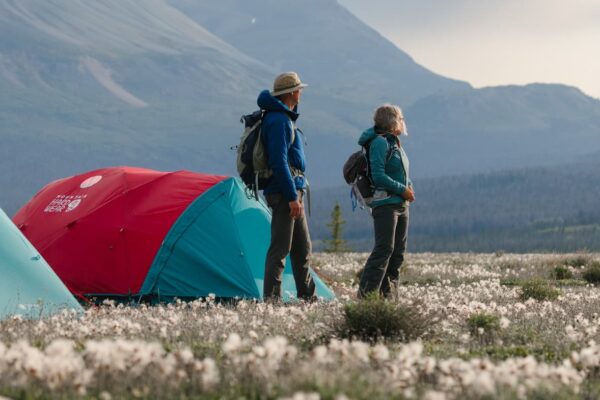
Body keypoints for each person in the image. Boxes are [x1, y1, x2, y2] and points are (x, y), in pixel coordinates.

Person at [257, 72, 315, 301]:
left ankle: (308, 298)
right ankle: (271, 301)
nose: (301, 93)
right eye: (299, 89)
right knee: (280, 249)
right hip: (284, 192)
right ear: (291, 93)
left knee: (302, 249)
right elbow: (278, 161)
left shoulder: (281, 118)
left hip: (291, 190)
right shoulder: (279, 120)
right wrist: (292, 196)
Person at [358, 104, 415, 298]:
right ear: (392, 121)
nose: (403, 121)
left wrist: (409, 188)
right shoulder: (380, 143)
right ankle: (366, 297)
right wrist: (403, 190)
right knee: (384, 250)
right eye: (400, 118)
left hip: (400, 204)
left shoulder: (394, 142)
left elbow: (400, 173)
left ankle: (389, 297)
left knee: (397, 253)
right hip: (386, 204)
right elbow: (378, 176)